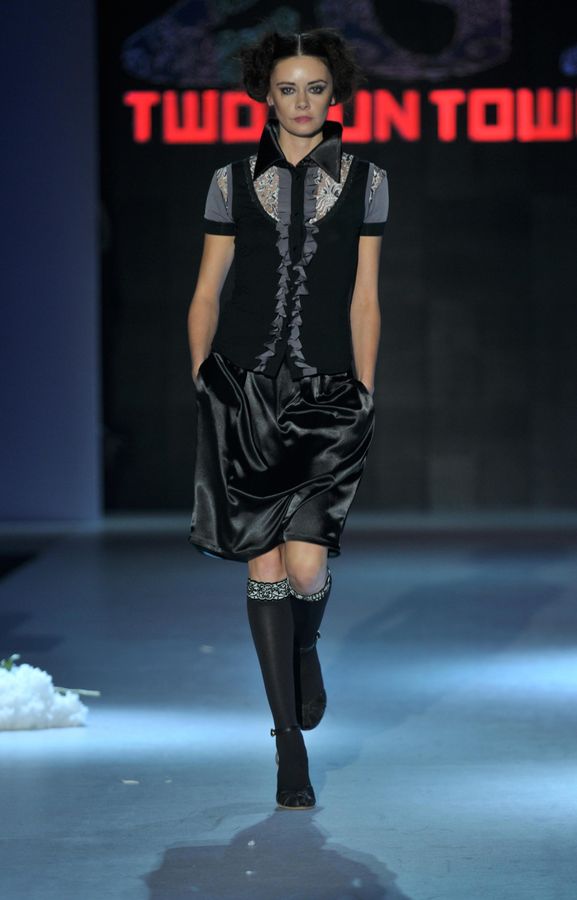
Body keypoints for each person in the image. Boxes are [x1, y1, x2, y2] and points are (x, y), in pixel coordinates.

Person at [186, 28, 389, 810]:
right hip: (243, 391)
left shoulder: (367, 180)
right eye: (286, 89)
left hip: (328, 394)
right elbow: (206, 290)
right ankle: (287, 742)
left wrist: (364, 390)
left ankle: (304, 650)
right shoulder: (230, 180)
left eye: (314, 88)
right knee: (263, 563)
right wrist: (202, 378)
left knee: (306, 567)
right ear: (264, 97)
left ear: (334, 95)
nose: (301, 102)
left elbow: (364, 296)